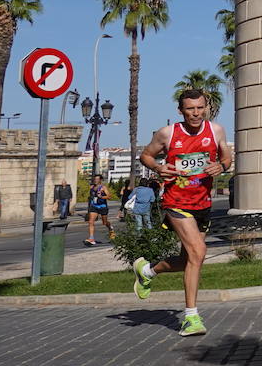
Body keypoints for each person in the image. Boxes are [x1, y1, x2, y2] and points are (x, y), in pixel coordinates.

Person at [130, 89, 231, 337]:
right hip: (176, 202)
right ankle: (191, 317)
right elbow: (146, 155)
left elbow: (227, 155)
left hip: (203, 204)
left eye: (199, 108)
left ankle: (147, 271)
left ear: (206, 107)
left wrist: (222, 165)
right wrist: (158, 167)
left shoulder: (216, 130)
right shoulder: (168, 133)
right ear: (181, 110)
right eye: (190, 109)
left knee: (189, 260)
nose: (195, 113)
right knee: (199, 252)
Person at [85, 174, 112, 246]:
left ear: (100, 180)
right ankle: (91, 238)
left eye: (97, 179)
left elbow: (109, 197)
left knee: (105, 223)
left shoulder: (103, 187)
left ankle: (110, 228)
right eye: (95, 179)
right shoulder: (92, 187)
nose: (96, 180)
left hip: (102, 206)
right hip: (94, 206)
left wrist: (102, 196)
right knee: (91, 221)